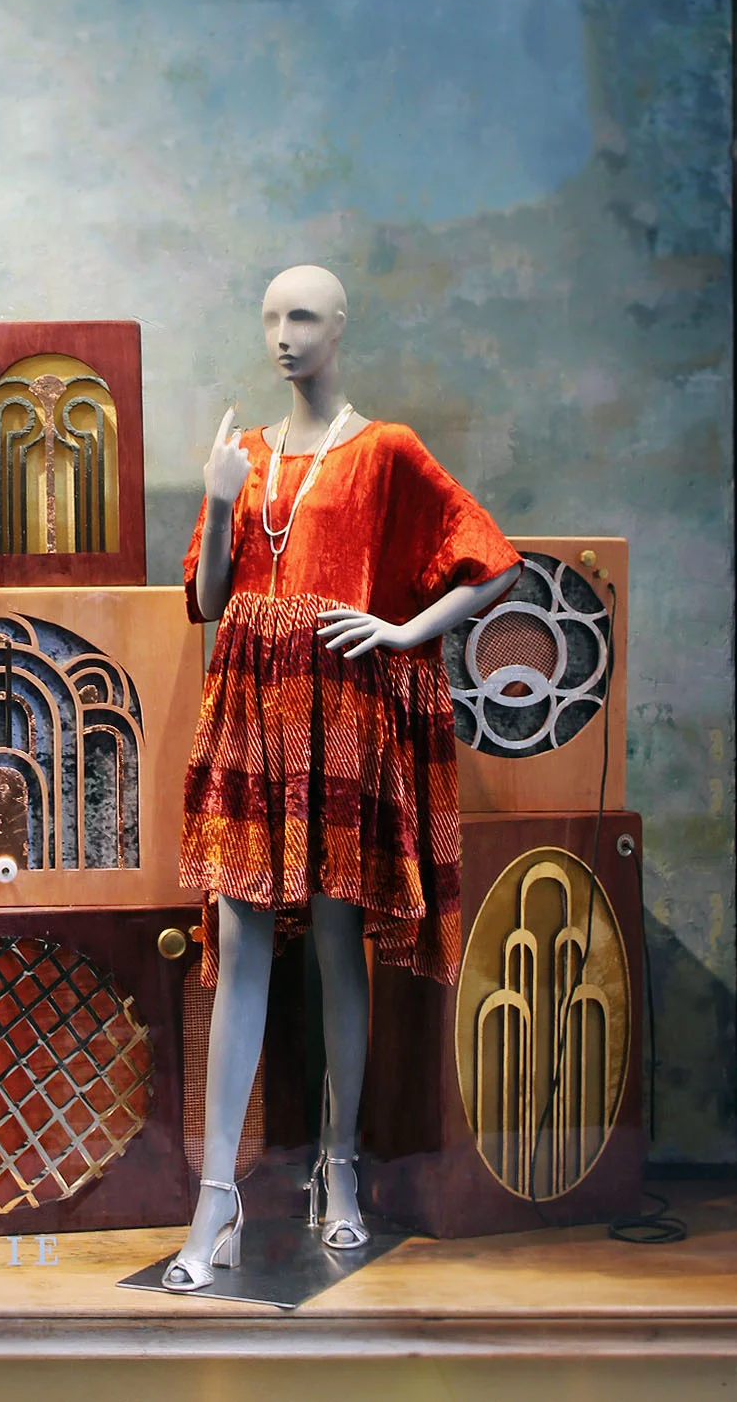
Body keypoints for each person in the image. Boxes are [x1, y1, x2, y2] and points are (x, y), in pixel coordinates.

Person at [163, 265, 521, 1291]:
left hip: (341, 712)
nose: (283, 334)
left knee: (334, 943)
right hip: (248, 709)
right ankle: (216, 1199)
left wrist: (404, 630)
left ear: (339, 326)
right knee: (238, 943)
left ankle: (340, 1165)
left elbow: (493, 561)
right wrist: (216, 498)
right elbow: (208, 598)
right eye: (270, 317)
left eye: (304, 316)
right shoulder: (245, 454)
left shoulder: (386, 449)